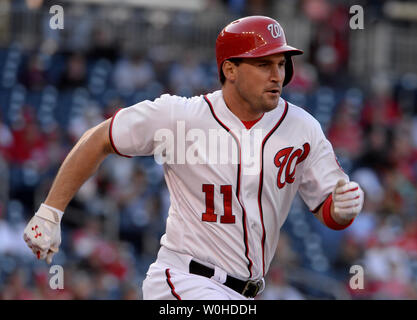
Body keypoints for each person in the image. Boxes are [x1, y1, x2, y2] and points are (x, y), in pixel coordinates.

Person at [23, 16, 364, 300]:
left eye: (280, 63)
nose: (277, 75)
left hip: (245, 293)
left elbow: (329, 210)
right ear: (230, 70)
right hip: (183, 281)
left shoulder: (302, 127)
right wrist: (50, 212)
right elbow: (99, 137)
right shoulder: (181, 117)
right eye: (263, 64)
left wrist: (342, 207)